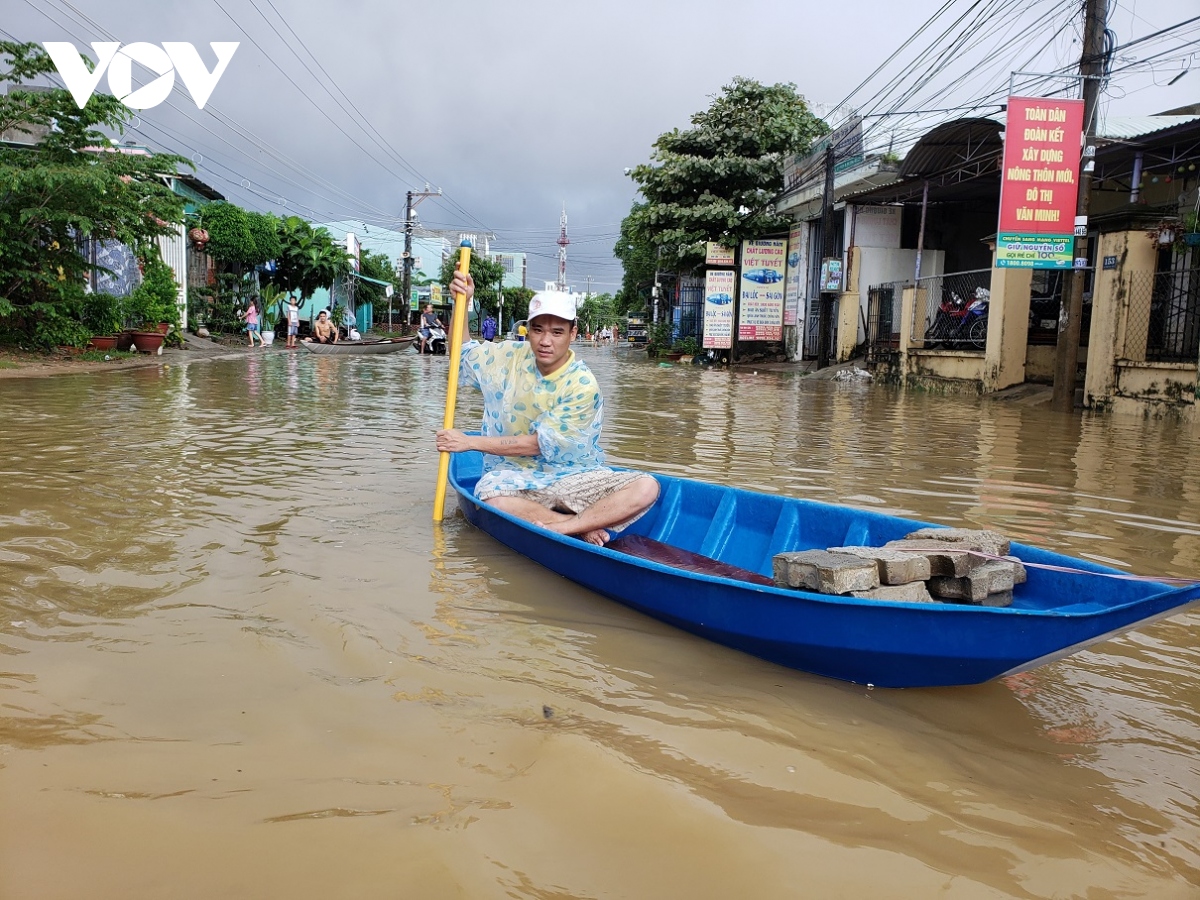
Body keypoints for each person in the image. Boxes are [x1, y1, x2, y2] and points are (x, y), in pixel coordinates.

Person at [436, 272, 660, 546]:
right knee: (490, 494)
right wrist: (463, 304)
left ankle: (568, 525)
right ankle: (576, 525)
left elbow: (537, 445)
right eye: (538, 330)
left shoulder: (581, 384)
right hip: (515, 476)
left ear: (573, 333)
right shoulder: (510, 357)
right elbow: (462, 352)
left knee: (646, 487)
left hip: (574, 475)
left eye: (557, 332)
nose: (545, 341)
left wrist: (470, 442)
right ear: (528, 329)